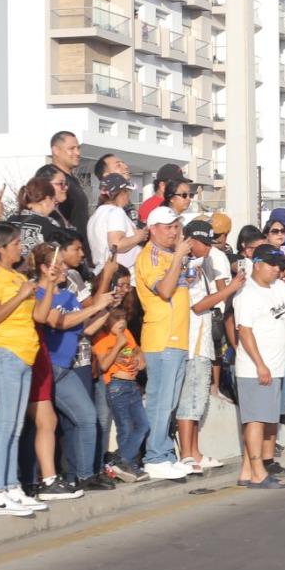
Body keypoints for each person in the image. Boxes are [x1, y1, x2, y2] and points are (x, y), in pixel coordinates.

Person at [32, 242, 117, 492]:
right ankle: (47, 478)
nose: (62, 270)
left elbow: (86, 328)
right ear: (43, 268)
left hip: (65, 369)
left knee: (88, 417)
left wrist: (107, 307)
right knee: (48, 426)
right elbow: (57, 322)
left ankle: (85, 475)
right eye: (56, 266)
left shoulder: (68, 296)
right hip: (48, 367)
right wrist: (95, 306)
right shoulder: (36, 293)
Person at [0, 223, 51, 517]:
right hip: (5, 353)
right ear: (3, 247)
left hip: (25, 355)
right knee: (4, 425)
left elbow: (40, 316)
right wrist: (21, 295)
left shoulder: (17, 276)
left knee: (17, 426)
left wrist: (50, 285)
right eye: (17, 244)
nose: (21, 248)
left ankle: (11, 485)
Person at [234, 244, 285, 486]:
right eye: (273, 265)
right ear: (257, 264)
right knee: (255, 421)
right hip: (256, 369)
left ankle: (247, 471)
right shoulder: (247, 294)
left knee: (265, 420)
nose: (277, 270)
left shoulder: (277, 286)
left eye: (280, 266)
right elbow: (244, 332)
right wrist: (260, 364)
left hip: (276, 367)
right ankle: (258, 472)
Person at [134, 206, 195, 480]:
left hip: (177, 338)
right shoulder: (150, 256)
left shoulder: (170, 255)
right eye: (168, 226)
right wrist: (179, 257)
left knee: (169, 401)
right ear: (153, 229)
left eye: (175, 226)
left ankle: (165, 453)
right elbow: (165, 290)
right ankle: (155, 456)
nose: (174, 231)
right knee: (160, 401)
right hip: (162, 338)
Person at [179, 220, 245, 473]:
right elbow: (197, 305)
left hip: (203, 338)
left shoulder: (203, 263)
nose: (207, 247)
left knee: (198, 400)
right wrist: (230, 288)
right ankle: (187, 454)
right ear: (190, 241)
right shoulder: (188, 266)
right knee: (191, 400)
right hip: (192, 339)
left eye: (209, 242)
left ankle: (194, 451)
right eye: (202, 243)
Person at [92, 307, 149, 482]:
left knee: (143, 425)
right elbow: (103, 365)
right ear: (107, 321)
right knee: (124, 427)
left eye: (124, 317)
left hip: (132, 384)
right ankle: (127, 465)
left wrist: (140, 361)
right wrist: (118, 342)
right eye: (117, 318)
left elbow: (137, 351)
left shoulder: (127, 333)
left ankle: (122, 461)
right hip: (117, 385)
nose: (121, 321)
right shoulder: (102, 339)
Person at [87, 174, 149, 271]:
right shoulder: (116, 212)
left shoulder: (95, 216)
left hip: (103, 271)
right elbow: (116, 245)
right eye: (128, 192)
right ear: (121, 193)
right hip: (121, 274)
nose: (128, 197)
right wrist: (138, 237)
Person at [49, 132, 90, 243]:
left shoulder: (73, 180)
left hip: (80, 249)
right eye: (71, 149)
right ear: (56, 150)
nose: (77, 153)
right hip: (65, 250)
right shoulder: (49, 176)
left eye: (78, 148)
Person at [8, 177, 65, 256]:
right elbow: (60, 254)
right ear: (47, 199)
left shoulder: (10, 220)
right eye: (55, 202)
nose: (54, 208)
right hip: (37, 267)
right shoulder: (49, 224)